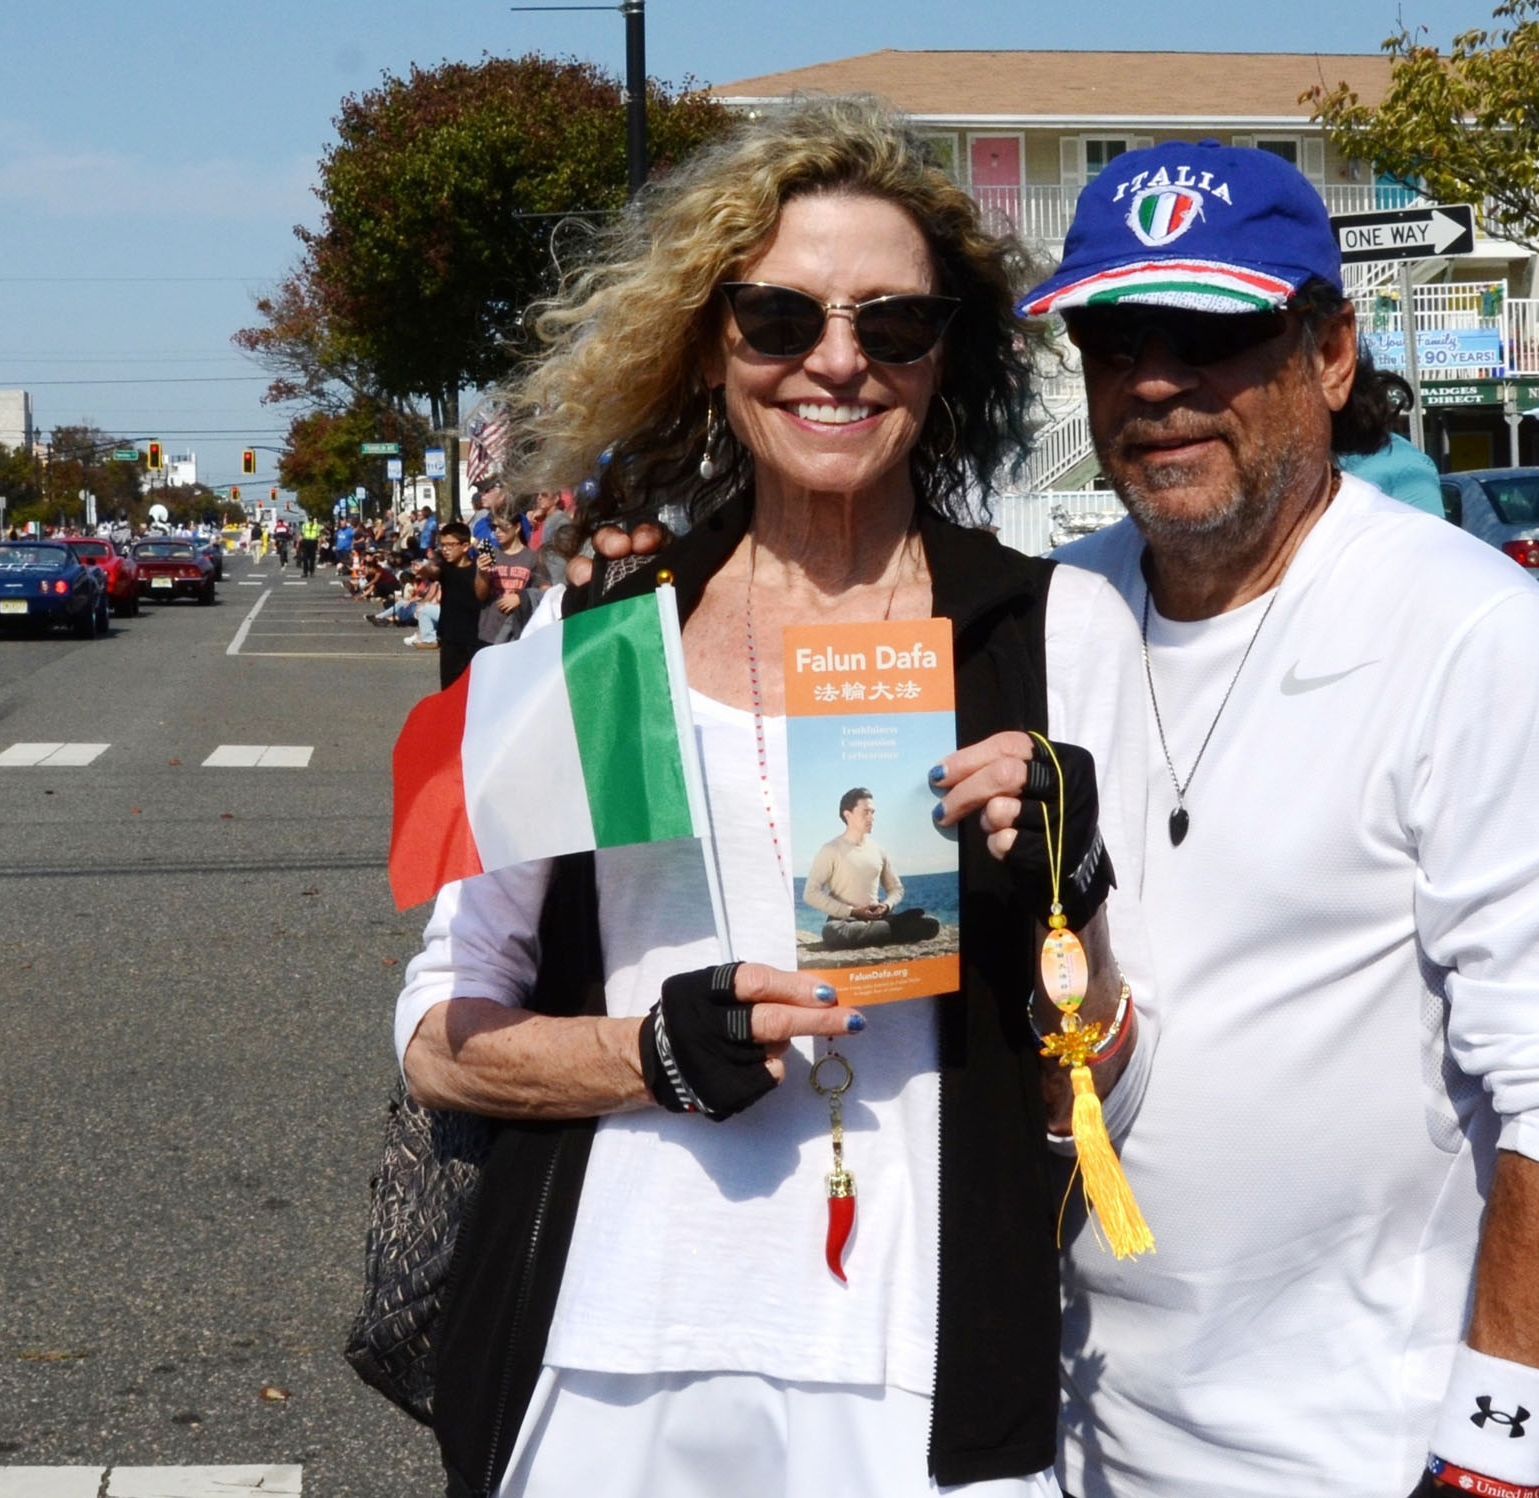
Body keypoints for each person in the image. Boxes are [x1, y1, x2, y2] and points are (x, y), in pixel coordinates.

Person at [393, 96, 1157, 1498]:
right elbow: (441, 1034)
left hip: (926, 1374)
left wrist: (1079, 903)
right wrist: (650, 1054)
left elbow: (1104, 1079)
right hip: (613, 1354)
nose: (840, 361)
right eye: (780, 317)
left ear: (947, 357)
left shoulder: (1046, 636)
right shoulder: (602, 646)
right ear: (707, 343)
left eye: (896, 324)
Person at [1018, 142, 1539, 1498]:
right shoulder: (1050, 618)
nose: (1156, 382)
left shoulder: (1474, 636)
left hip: (1357, 1452)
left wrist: (1491, 1458)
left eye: (1212, 335)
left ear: (1329, 354)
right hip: (1070, 1432)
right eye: (1115, 340)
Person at [802, 787, 940, 949]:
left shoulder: (878, 850)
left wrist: (886, 905)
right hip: (845, 921)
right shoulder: (830, 849)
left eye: (873, 812)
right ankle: (892, 928)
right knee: (831, 932)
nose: (871, 817)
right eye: (865, 812)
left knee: (931, 924)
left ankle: (883, 929)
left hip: (876, 918)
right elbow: (810, 893)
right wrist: (852, 911)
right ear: (848, 815)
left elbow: (896, 889)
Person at [412, 520, 495, 687]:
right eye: (443, 545)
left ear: (465, 546)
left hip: (475, 637)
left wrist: (482, 573)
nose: (446, 549)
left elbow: (482, 594)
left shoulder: (477, 569)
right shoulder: (445, 568)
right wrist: (423, 570)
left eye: (451, 545)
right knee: (449, 687)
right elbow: (433, 571)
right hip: (450, 637)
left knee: (474, 687)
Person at [476, 506, 549, 647]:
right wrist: (482, 573)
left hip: (519, 630)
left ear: (517, 528)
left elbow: (546, 591)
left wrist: (521, 598)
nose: (497, 532)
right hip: (490, 631)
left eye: (502, 527)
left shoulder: (533, 558)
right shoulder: (490, 555)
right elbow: (480, 595)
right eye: (494, 527)